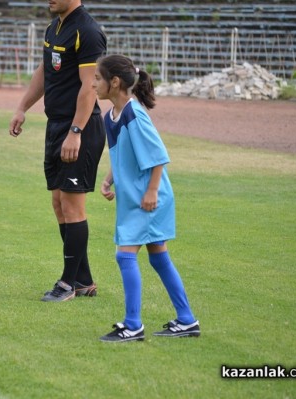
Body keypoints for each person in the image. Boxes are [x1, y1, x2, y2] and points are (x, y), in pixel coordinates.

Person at [93, 54, 200, 341]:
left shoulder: (135, 114)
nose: (94, 84)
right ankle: (187, 320)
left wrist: (152, 191)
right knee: (158, 258)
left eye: (98, 79)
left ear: (115, 83)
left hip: (148, 200)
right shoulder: (111, 116)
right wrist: (108, 178)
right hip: (136, 199)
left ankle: (132, 325)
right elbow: (122, 155)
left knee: (125, 255)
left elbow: (158, 157)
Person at [9, 0, 107, 302]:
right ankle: (83, 280)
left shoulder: (87, 31)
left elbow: (89, 86)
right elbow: (44, 70)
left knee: (72, 205)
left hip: (80, 128)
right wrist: (22, 107)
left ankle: (67, 284)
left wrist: (75, 132)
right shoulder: (55, 27)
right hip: (57, 126)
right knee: (58, 203)